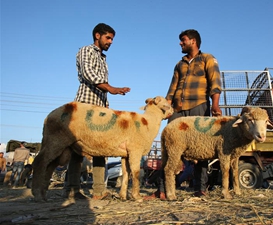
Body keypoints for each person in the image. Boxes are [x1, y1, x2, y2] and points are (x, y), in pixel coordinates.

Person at [145, 29, 222, 200]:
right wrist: (165, 109)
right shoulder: (179, 65)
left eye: (183, 40)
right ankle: (163, 190)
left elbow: (215, 82)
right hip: (178, 110)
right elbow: (171, 89)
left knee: (201, 147)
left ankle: (200, 189)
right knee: (169, 147)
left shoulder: (208, 59)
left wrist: (215, 105)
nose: (180, 43)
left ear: (193, 41)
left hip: (199, 106)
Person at [64, 23, 131, 200]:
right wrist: (111, 88)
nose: (110, 42)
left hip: (100, 108)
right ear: (97, 36)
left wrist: (106, 103)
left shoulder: (103, 58)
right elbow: (88, 74)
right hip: (85, 105)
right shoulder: (86, 51)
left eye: (112, 39)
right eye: (108, 38)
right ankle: (72, 189)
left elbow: (99, 83)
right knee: (78, 147)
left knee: (101, 147)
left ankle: (99, 191)